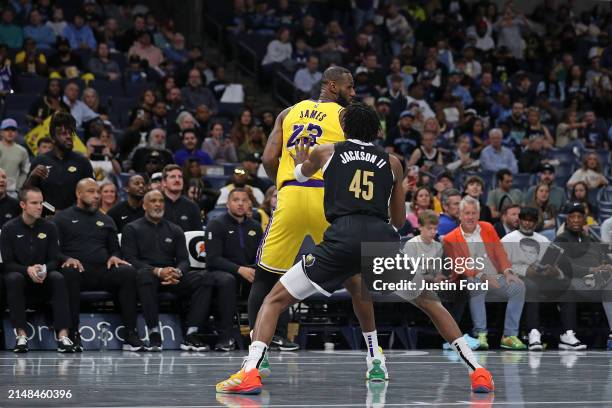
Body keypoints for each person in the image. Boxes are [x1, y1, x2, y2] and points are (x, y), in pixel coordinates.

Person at [217, 103, 494, 394]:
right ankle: (478, 370)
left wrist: (301, 161)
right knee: (430, 302)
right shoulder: (393, 162)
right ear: (376, 132)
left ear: (344, 128)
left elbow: (299, 176)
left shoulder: (326, 151)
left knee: (273, 301)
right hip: (381, 240)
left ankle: (251, 373)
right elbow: (399, 221)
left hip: (341, 239)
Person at [250, 67, 379, 367]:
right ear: (333, 86)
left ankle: (257, 352)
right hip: (328, 199)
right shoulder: (347, 118)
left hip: (292, 195)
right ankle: (374, 352)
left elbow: (269, 158)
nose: (354, 93)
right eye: (350, 87)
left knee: (266, 275)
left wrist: (283, 180)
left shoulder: (288, 112)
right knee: (354, 277)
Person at [54, 178, 144, 352]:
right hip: (77, 272)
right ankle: (72, 332)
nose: (96, 195)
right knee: (69, 271)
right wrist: (66, 259)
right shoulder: (61, 219)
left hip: (103, 271)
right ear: (78, 194)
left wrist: (115, 257)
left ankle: (130, 334)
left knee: (127, 272)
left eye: (97, 192)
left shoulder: (106, 219)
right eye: (90, 191)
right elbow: (53, 251)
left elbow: (115, 249)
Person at [122, 190, 211, 352]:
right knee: (144, 276)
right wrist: (157, 271)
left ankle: (192, 333)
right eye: (153, 201)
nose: (158, 204)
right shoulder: (132, 229)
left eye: (161, 201)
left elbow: (184, 260)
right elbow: (130, 260)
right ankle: (154, 332)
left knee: (205, 278)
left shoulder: (175, 229)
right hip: (147, 276)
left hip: (172, 277)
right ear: (144, 205)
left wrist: (178, 271)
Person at [443, 196, 526, 351]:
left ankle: (509, 336)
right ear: (460, 215)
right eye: (467, 213)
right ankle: (481, 333)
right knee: (475, 285)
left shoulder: (488, 228)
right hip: (468, 279)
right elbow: (459, 266)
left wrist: (508, 272)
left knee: (518, 287)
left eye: (474, 213)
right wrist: (482, 275)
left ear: (479, 214)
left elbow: (500, 253)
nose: (471, 217)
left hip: (494, 277)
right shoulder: (450, 238)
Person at [2, 187, 74, 353]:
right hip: (20, 278)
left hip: (44, 277)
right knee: (13, 278)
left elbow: (54, 258)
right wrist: (27, 269)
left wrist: (43, 269)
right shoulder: (8, 229)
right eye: (34, 203)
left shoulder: (50, 227)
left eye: (41, 202)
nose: (39, 206)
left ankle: (63, 335)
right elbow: (6, 263)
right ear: (23, 205)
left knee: (58, 277)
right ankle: (21, 335)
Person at [206, 188, 264, 351]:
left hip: (248, 274)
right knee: (227, 281)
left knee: (272, 279)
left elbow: (261, 256)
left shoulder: (255, 226)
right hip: (222, 273)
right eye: (236, 200)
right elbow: (212, 259)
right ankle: (225, 337)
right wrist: (239, 269)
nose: (240, 204)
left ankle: (275, 336)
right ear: (227, 204)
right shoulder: (216, 224)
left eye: (244, 200)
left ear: (249, 204)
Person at [501, 206, 551, 351]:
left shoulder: (543, 240)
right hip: (517, 278)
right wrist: (524, 270)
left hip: (541, 276)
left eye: (532, 220)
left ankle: (567, 332)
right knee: (531, 286)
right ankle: (533, 333)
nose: (528, 223)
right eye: (525, 219)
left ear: (536, 222)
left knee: (566, 285)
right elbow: (500, 264)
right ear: (519, 220)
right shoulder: (508, 239)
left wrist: (551, 270)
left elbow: (549, 262)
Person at [25, 112, 94, 211]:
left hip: (74, 220)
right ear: (53, 137)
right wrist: (32, 177)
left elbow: (91, 195)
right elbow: (26, 195)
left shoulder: (83, 162)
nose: (69, 136)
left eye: (71, 132)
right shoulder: (40, 161)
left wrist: (66, 215)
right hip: (45, 220)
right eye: (63, 133)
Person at [161, 164, 203, 232]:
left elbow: (198, 235)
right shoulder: (156, 204)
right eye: (173, 177)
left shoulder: (192, 206)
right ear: (164, 182)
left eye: (180, 177)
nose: (177, 180)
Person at [0, 118, 29, 195]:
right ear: (1, 132)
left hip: (12, 192)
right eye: (7, 129)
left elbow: (25, 171)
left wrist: (18, 187)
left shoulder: (22, 151)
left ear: (16, 133)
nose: (10, 132)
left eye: (13, 130)